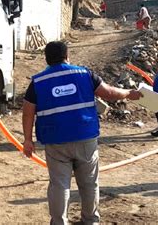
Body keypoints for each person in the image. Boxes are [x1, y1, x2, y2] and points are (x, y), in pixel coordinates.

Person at [22, 41, 142, 225]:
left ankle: (59, 221)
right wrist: (128, 93)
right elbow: (108, 92)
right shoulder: (84, 74)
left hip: (55, 141)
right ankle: (91, 221)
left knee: (59, 185)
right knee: (89, 183)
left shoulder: (38, 82)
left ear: (46, 59)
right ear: (67, 56)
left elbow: (28, 111)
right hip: (85, 138)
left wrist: (28, 140)